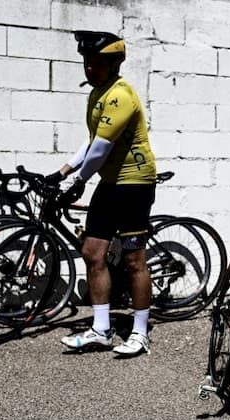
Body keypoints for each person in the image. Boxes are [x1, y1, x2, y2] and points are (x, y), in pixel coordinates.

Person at [47, 31, 157, 357]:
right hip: (110, 182)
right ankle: (101, 329)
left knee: (134, 259)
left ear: (113, 64)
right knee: (93, 253)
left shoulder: (120, 95)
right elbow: (92, 141)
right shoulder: (97, 93)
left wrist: (78, 180)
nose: (89, 69)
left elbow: (100, 150)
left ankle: (139, 333)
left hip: (135, 182)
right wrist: (63, 170)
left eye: (96, 64)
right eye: (86, 63)